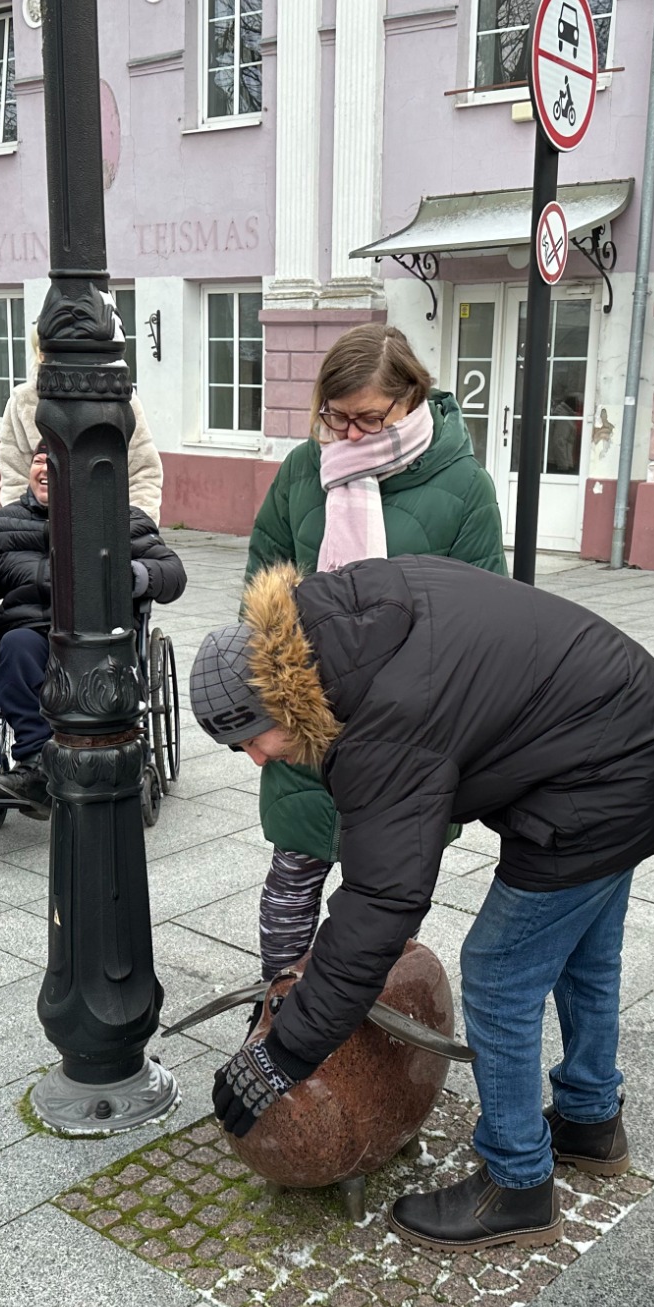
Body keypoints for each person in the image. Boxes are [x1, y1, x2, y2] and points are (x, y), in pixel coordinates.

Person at [190, 557, 654, 1252]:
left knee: (498, 967)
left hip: (607, 778)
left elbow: (382, 901)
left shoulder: (377, 720)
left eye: (250, 738)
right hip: (645, 744)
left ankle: (518, 1184)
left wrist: (283, 1051)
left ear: (276, 703)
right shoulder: (346, 624)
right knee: (584, 950)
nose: (255, 758)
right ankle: (590, 1119)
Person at [243, 324, 503, 984]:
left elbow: (486, 618)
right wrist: (268, 699)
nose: (349, 437)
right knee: (291, 880)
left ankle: (364, 1034)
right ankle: (279, 1015)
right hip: (312, 716)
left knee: (386, 899)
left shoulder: (464, 487)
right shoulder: (306, 468)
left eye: (368, 418)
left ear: (412, 398)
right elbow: (262, 581)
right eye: (336, 416)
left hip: (407, 732)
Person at [0, 445, 187, 816]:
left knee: (100, 662)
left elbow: (172, 573)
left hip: (99, 632)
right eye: (39, 461)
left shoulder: (122, 519)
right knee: (15, 649)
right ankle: (37, 764)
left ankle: (100, 757)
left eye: (55, 463)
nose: (45, 470)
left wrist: (131, 576)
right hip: (29, 629)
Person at [0, 330, 164, 521]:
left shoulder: (121, 400)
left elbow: (144, 473)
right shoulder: (23, 401)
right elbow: (14, 476)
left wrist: (132, 531)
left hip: (109, 532)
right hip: (40, 531)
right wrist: (25, 529)